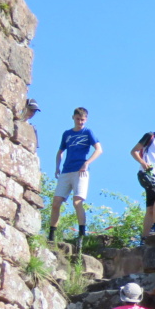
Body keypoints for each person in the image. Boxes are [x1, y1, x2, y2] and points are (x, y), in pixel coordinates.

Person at [48, 107, 102, 250]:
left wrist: (87, 163)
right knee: (56, 202)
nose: (80, 122)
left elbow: (99, 149)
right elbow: (60, 151)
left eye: (82, 120)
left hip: (80, 171)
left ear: (86, 119)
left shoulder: (87, 132)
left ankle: (82, 235)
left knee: (77, 202)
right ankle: (51, 234)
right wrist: (57, 167)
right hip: (66, 170)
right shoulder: (67, 134)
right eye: (78, 119)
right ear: (73, 118)